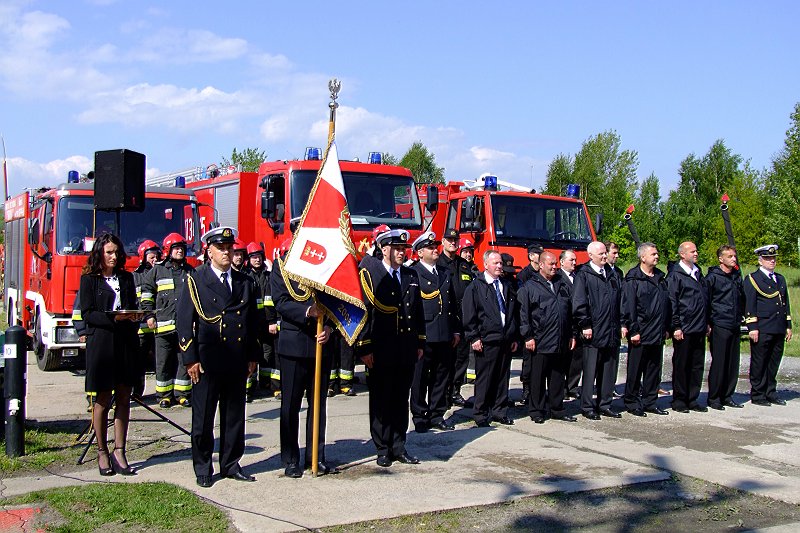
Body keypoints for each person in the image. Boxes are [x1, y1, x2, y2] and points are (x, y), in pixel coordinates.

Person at [176, 226, 264, 488]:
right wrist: (190, 358)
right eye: (221, 248)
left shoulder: (245, 281)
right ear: (209, 251)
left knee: (234, 416)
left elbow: (253, 322)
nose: (226, 252)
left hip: (236, 358)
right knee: (203, 419)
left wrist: (252, 356)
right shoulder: (196, 279)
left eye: (229, 248)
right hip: (207, 359)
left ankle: (230, 463)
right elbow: (183, 322)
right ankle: (203, 466)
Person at [356, 228, 425, 467]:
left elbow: (417, 312)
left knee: (400, 399)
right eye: (396, 248)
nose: (401, 253)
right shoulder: (373, 274)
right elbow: (365, 311)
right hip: (381, 347)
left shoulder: (410, 275)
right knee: (381, 399)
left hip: (405, 348)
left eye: (403, 249)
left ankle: (399, 445)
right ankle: (382, 448)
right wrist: (364, 347)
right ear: (384, 249)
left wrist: (419, 342)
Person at [79, 233, 141, 476]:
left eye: (116, 252)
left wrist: (136, 316)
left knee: (124, 396)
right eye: (109, 252)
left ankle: (120, 450)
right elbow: (87, 314)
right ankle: (102, 451)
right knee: (103, 399)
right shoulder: (89, 280)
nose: (114, 256)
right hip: (102, 345)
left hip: (125, 342)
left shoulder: (126, 278)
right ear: (100, 254)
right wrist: (112, 318)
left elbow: (132, 303)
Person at [271, 251, 334, 477]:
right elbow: (280, 301)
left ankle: (316, 456)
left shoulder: (325, 261)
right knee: (290, 405)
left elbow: (335, 299)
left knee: (318, 406)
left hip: (321, 345)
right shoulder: (283, 266)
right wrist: (308, 311)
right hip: (294, 345)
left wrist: (330, 327)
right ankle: (290, 459)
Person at [410, 231, 461, 432]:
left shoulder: (444, 273)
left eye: (435, 247)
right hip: (425, 334)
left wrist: (456, 330)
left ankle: (437, 414)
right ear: (420, 252)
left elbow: (453, 304)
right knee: (420, 377)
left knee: (441, 376)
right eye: (430, 248)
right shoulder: (414, 273)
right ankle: (419, 415)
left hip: (444, 332)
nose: (435, 250)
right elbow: (412, 307)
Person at [462, 249, 520, 427]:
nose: (499, 266)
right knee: (485, 379)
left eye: (501, 263)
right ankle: (481, 414)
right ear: (485, 264)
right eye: (495, 263)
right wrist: (474, 337)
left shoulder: (505, 285)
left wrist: (514, 336)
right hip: (486, 340)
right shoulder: (476, 287)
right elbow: (469, 313)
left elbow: (512, 312)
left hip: (505, 339)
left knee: (502, 378)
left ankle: (499, 411)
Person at [518, 251, 576, 423]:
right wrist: (527, 336)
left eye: (555, 263)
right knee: (537, 378)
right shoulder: (530, 287)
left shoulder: (561, 284)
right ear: (541, 265)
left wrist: (572, 334)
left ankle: (557, 409)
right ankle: (537, 410)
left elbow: (569, 311)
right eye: (551, 264)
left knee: (557, 376)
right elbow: (524, 314)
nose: (554, 267)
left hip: (560, 339)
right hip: (540, 340)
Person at [141, 233, 195, 409]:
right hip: (162, 326)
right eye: (176, 248)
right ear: (168, 250)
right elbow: (147, 294)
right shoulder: (157, 270)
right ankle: (164, 395)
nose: (180, 251)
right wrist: (149, 316)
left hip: (184, 328)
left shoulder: (190, 271)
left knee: (183, 361)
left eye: (182, 248)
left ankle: (182, 394)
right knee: (163, 362)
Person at [572, 241, 623, 420]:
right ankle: (587, 406)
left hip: (611, 329)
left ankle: (605, 404)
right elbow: (579, 301)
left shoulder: (612, 274)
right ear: (591, 255)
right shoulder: (584, 275)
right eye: (600, 254)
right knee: (591, 369)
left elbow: (619, 301)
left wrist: (622, 324)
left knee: (608, 369)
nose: (604, 256)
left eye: (604, 253)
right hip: (593, 330)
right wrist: (585, 324)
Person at [621, 242, 671, 417]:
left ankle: (650, 401)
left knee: (653, 370)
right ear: (643, 257)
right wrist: (633, 330)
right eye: (653, 254)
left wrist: (666, 327)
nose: (657, 257)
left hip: (657, 332)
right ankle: (632, 401)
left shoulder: (660, 278)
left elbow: (666, 305)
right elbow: (629, 307)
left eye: (657, 254)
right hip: (640, 333)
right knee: (635, 370)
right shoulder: (633, 279)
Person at [744, 245, 792, 407]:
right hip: (762, 327)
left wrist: (788, 325)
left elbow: (785, 304)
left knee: (773, 362)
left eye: (773, 258)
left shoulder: (780, 279)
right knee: (760, 362)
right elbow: (750, 304)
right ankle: (758, 394)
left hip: (778, 327)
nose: (772, 261)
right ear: (760, 260)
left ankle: (770, 392)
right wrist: (752, 327)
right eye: (768, 258)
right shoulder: (753, 279)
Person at [667, 241, 710, 413]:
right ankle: (680, 400)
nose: (696, 253)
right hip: (684, 328)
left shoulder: (698, 273)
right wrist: (676, 326)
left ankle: (693, 398)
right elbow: (673, 302)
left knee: (697, 365)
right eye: (692, 251)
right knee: (682, 365)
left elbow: (704, 300)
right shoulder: (675, 276)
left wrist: (707, 322)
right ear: (682, 255)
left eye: (696, 251)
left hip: (699, 327)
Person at [706, 245, 745, 410]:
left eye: (734, 256)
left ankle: (727, 395)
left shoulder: (736, 276)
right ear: (721, 259)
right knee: (720, 363)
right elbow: (706, 302)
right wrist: (708, 323)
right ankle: (714, 397)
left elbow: (742, 298)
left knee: (732, 362)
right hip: (719, 324)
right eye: (730, 256)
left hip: (735, 323)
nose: (733, 259)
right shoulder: (712, 278)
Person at [444, 234, 478, 407]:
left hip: (462, 319)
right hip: (445, 320)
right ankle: (443, 393)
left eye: (455, 241)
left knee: (461, 358)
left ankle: (455, 391)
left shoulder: (463, 265)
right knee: (445, 360)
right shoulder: (440, 262)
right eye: (449, 240)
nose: (452, 243)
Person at [242, 242, 275, 403]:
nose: (257, 260)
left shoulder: (268, 275)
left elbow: (271, 301)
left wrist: (271, 321)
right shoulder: (246, 276)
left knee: (267, 353)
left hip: (266, 322)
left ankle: (266, 382)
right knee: (253, 353)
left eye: (259, 257)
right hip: (252, 323)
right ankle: (250, 387)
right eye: (254, 257)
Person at [132, 239, 161, 396]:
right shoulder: (134, 277)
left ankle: (162, 393)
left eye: (157, 256)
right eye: (152, 256)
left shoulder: (161, 274)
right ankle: (137, 393)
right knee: (138, 363)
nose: (155, 259)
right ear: (143, 257)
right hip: (141, 328)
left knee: (161, 362)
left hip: (159, 326)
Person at [559, 249, 582, 399]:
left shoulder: (579, 277)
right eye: (571, 260)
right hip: (565, 323)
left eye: (575, 260)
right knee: (563, 359)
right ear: (562, 262)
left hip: (578, 322)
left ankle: (572, 386)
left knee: (576, 359)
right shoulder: (558, 278)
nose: (574, 263)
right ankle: (561, 389)